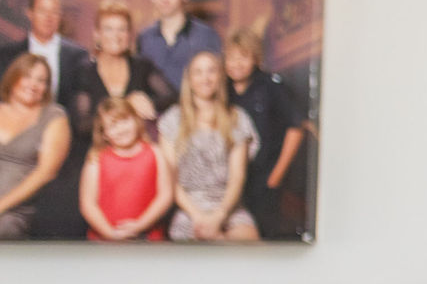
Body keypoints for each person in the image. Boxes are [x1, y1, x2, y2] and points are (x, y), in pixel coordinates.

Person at [223, 27, 311, 240]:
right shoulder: (222, 89)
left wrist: (275, 177)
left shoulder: (271, 86)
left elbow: (296, 128)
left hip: (265, 179)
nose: (236, 64)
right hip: (230, 180)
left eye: (243, 57)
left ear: (255, 59)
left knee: (263, 238)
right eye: (231, 58)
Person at [162, 51, 259, 242]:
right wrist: (198, 217)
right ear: (189, 79)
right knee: (194, 244)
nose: (205, 78)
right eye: (198, 72)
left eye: (211, 71)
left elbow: (237, 177)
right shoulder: (172, 119)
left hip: (228, 206)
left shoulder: (237, 117)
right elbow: (171, 181)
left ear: (220, 77)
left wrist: (219, 216)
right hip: (189, 209)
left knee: (249, 240)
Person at [77, 97, 171, 241]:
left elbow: (165, 195)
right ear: (104, 133)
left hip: (149, 239)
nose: (121, 129)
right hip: (105, 241)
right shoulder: (96, 160)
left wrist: (140, 225)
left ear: (136, 120)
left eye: (125, 121)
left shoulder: (155, 153)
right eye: (113, 126)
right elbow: (88, 204)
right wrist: (110, 233)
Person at [72, 0, 176, 129]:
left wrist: (149, 103)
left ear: (129, 35)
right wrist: (127, 106)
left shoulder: (142, 66)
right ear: (97, 34)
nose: (116, 36)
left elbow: (172, 97)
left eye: (122, 29)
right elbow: (81, 124)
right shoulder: (84, 71)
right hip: (96, 141)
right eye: (108, 29)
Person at [0, 55, 71, 239]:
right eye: (27, 76)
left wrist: (1, 205)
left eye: (41, 81)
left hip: (16, 209)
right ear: (14, 77)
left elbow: (45, 172)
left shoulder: (53, 116)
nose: (33, 85)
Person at [134, 0, 221, 93]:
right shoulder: (144, 38)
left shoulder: (206, 35)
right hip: (155, 105)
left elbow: (217, 80)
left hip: (193, 104)